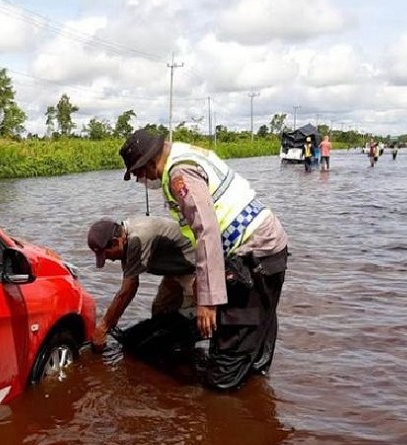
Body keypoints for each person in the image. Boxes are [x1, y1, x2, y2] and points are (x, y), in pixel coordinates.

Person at [117, 129, 289, 391]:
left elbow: (206, 230)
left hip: (252, 253)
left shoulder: (178, 176)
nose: (141, 180)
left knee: (223, 370)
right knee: (257, 337)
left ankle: (225, 413)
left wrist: (208, 301)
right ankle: (258, 397)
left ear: (149, 163)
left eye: (138, 174)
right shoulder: (186, 154)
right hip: (270, 246)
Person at [87, 216, 197, 352]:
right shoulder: (125, 239)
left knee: (186, 321)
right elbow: (127, 286)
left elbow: (129, 289)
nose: (112, 260)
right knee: (160, 310)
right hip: (174, 269)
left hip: (193, 266)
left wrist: (103, 327)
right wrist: (110, 322)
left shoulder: (136, 240)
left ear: (116, 242)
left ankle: (187, 358)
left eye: (108, 256)